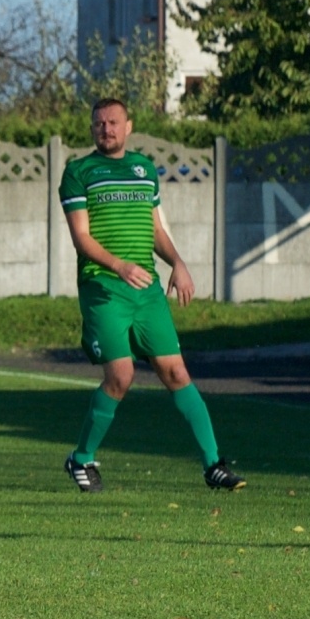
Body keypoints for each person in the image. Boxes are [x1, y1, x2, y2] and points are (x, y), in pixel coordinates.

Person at [58, 97, 246, 493]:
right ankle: (81, 458)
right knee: (121, 376)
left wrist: (177, 262)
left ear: (128, 127)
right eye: (98, 124)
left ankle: (213, 465)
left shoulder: (144, 170)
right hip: (104, 288)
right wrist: (119, 266)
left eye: (112, 122)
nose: (105, 129)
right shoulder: (78, 172)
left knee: (177, 372)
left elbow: (156, 230)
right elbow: (82, 238)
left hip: (146, 292)